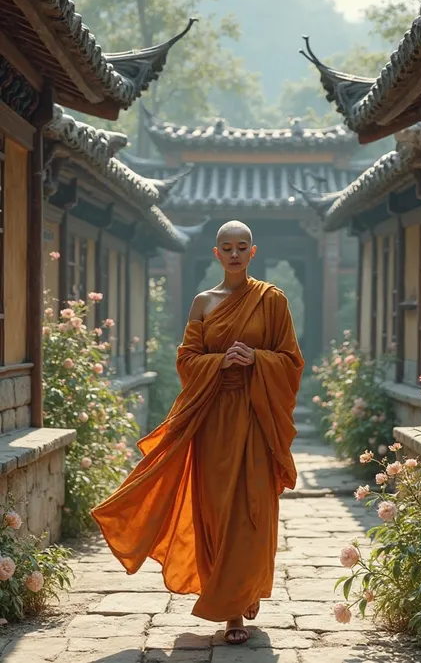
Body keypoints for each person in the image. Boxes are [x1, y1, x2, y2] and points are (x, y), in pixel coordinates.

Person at [91, 220, 304, 645]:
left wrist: (257, 360)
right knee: (217, 512)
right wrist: (220, 362)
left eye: (242, 246)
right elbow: (187, 360)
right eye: (227, 247)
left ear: (253, 252)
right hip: (211, 420)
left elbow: (291, 360)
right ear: (216, 254)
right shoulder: (204, 303)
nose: (235, 254)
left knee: (252, 511)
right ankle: (230, 597)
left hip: (255, 416)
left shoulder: (272, 300)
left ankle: (234, 611)